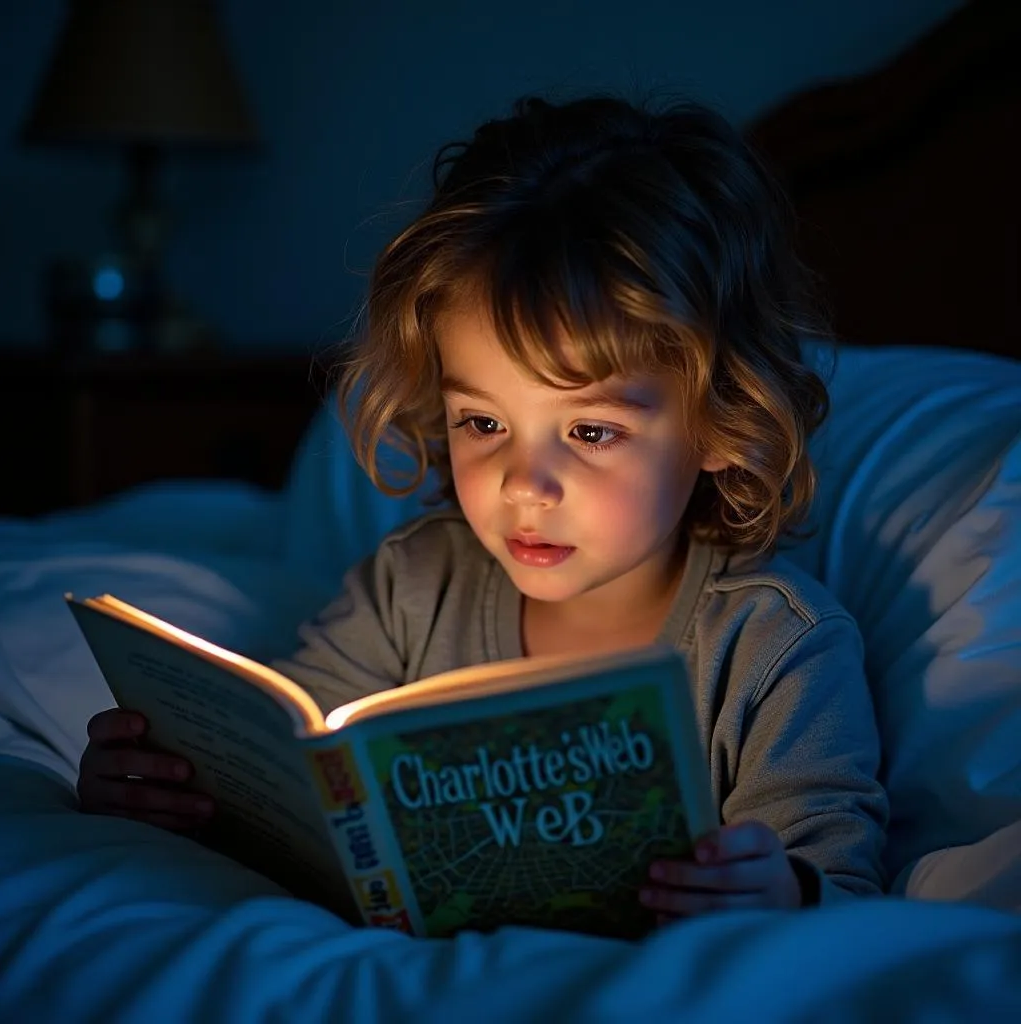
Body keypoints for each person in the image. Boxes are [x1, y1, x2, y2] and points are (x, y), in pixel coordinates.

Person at [77, 94, 888, 919]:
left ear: (719, 423)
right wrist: (171, 786)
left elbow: (843, 876)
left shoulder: (774, 649)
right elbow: (292, 770)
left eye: (592, 431)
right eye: (484, 422)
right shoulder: (413, 588)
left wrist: (780, 888)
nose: (522, 484)